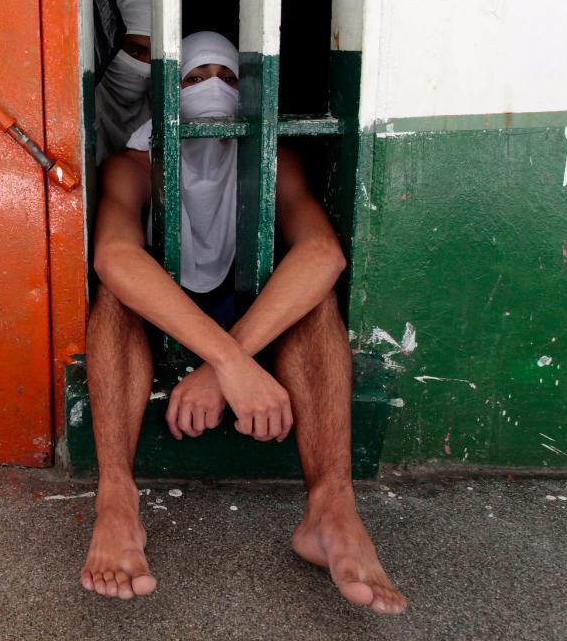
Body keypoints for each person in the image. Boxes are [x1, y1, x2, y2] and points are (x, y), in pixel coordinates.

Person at [80, 32, 407, 614]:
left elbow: (322, 256)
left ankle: (332, 510)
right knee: (114, 300)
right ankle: (116, 502)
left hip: (243, 306)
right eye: (194, 78)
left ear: (250, 95)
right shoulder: (136, 162)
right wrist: (231, 364)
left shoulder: (273, 160)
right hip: (166, 310)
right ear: (168, 95)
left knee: (317, 309)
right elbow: (115, 257)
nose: (213, 90)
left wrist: (222, 362)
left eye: (228, 79)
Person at [94, 0, 153, 164]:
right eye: (134, 52)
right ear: (111, 48)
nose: (146, 68)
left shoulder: (162, 102)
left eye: (155, 55)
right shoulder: (84, 103)